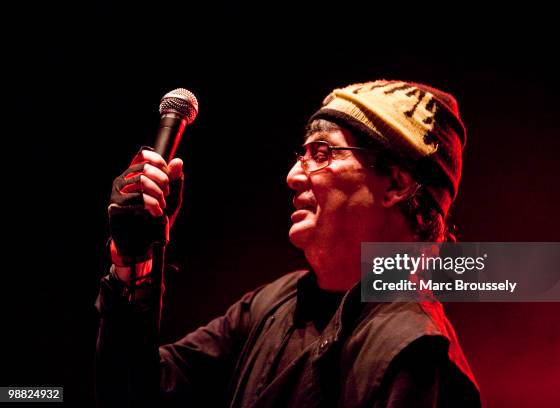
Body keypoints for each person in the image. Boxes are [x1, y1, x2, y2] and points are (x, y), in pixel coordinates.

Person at [95, 80, 481, 407]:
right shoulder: (273, 303)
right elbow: (135, 393)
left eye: (322, 153)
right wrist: (135, 263)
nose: (293, 175)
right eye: (303, 154)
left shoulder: (414, 353)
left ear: (395, 184)